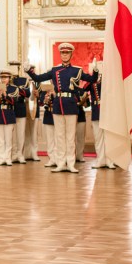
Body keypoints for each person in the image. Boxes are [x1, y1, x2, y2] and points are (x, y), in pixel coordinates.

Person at [26, 43, 88, 173]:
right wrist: (29, 71)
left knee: (70, 137)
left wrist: (97, 71)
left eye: (67, 53)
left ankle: (70, 164)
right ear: (60, 54)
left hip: (70, 104)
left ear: (71, 54)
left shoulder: (77, 70)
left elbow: (91, 79)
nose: (64, 55)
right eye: (62, 53)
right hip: (58, 105)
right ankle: (61, 163)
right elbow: (38, 78)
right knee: (59, 136)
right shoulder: (55, 70)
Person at [0, 69, 18, 166]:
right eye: (2, 77)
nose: (3, 79)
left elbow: (14, 101)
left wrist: (5, 94)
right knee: (0, 139)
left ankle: (8, 158)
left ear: (9, 78)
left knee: (8, 139)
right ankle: (1, 158)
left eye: (5, 77)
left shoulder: (14, 88)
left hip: (9, 114)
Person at [8, 61, 31, 163]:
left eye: (15, 67)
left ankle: (20, 154)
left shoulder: (23, 80)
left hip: (20, 108)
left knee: (20, 133)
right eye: (11, 67)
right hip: (9, 110)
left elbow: (27, 93)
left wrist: (16, 89)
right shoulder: (6, 80)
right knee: (11, 134)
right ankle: (12, 154)